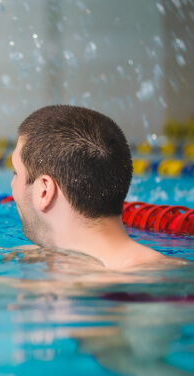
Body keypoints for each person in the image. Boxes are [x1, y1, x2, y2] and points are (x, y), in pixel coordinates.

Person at [10, 105, 186, 270]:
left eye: (16, 173)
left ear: (45, 191)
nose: (12, 184)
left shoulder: (90, 289)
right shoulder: (169, 269)